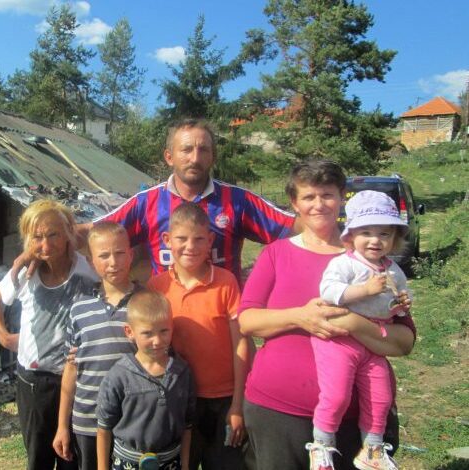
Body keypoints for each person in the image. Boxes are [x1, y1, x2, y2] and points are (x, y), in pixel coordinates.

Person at [237, 160, 416, 470]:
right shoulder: (276, 253)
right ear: (294, 203)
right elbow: (247, 320)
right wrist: (300, 317)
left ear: (342, 198)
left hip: (354, 417)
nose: (318, 204)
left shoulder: (374, 259)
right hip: (276, 411)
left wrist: (354, 324)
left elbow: (404, 341)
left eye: (327, 195)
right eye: (308, 197)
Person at [96, 118, 295, 281]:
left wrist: (263, 277)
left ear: (213, 157)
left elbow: (295, 229)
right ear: (169, 157)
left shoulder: (238, 201)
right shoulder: (146, 203)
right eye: (186, 149)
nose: (195, 158)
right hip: (166, 316)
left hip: (223, 315)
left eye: (203, 150)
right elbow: (94, 234)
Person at [0, 199, 98, 470]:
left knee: (74, 458)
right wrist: (4, 337)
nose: (46, 245)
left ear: (69, 232)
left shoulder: (89, 270)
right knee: (38, 458)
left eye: (53, 234)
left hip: (79, 380)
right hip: (36, 383)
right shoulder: (25, 274)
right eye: (37, 237)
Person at [309, 190, 412, 470]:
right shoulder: (345, 263)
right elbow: (328, 291)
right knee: (336, 395)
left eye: (384, 234)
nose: (375, 240)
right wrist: (365, 290)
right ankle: (322, 445)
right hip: (339, 340)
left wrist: (402, 304)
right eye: (366, 232)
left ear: (394, 238)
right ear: (351, 236)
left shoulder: (393, 270)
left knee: (381, 397)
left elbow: (396, 303)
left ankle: (372, 448)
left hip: (374, 342)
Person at [147, 202, 250, 470]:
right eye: (181, 238)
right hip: (179, 397)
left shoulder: (226, 282)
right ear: (167, 240)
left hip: (224, 397)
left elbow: (241, 342)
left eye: (199, 239)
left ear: (211, 241)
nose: (190, 246)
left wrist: (238, 404)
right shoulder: (157, 287)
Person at [53, 222, 140, 470]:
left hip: (132, 420)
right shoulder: (79, 309)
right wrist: (62, 425)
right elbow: (71, 369)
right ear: (91, 263)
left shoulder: (146, 304)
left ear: (131, 255)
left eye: (120, 253)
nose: (113, 262)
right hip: (87, 420)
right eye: (104, 255)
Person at [96, 290, 195, 470]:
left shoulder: (182, 372)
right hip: (127, 463)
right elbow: (104, 429)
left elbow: (187, 426)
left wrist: (186, 465)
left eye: (164, 331)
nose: (157, 341)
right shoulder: (118, 376)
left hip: (171, 462)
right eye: (147, 333)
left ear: (172, 327)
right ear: (129, 332)